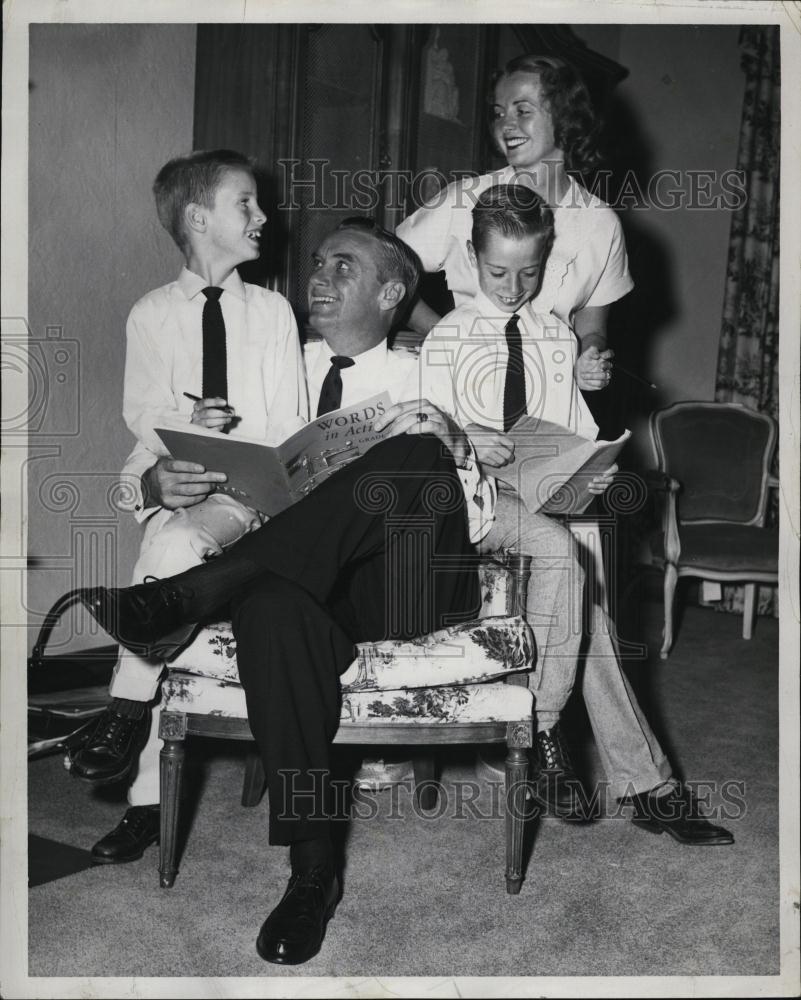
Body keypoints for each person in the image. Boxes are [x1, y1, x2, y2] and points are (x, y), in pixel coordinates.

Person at [65, 220, 486, 965]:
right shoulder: (277, 363)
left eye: (342, 267)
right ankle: (313, 869)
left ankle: (189, 596)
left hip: (412, 584)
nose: (317, 278)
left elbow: (482, 518)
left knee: (413, 450)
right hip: (303, 582)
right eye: (317, 263)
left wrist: (450, 445)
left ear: (391, 292)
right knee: (269, 607)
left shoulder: (437, 368)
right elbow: (174, 449)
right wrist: (157, 480)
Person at [387, 184, 734, 841]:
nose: (513, 286)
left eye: (528, 272)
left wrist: (589, 464)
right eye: (496, 272)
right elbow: (418, 447)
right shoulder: (446, 337)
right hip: (473, 510)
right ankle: (619, 773)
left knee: (589, 609)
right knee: (580, 594)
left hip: (547, 504)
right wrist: (464, 437)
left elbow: (569, 439)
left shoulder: (555, 338)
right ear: (469, 257)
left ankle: (598, 768)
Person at [68, 149, 308, 863]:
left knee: (164, 560)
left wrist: (239, 455)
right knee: (167, 548)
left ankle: (124, 712)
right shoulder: (151, 314)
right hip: (181, 494)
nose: (264, 216)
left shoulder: (271, 313)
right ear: (199, 218)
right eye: (247, 203)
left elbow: (290, 425)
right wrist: (162, 471)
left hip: (252, 500)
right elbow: (140, 419)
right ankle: (143, 787)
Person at [396, 53, 624, 393]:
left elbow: (592, 325)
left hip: (550, 394)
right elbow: (388, 266)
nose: (506, 125)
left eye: (523, 111)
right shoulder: (464, 199)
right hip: (464, 387)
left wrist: (591, 357)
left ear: (565, 117)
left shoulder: (601, 223)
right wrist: (444, 335)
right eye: (499, 113)